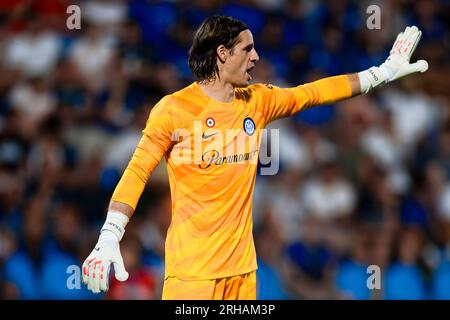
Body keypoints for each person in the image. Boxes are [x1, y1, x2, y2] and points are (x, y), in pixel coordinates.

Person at [81, 15, 428, 300]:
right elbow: (138, 170)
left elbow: (313, 93)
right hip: (193, 275)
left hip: (243, 274)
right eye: (247, 49)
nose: (256, 57)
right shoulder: (173, 110)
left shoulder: (257, 101)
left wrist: (380, 73)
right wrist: (110, 235)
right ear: (222, 54)